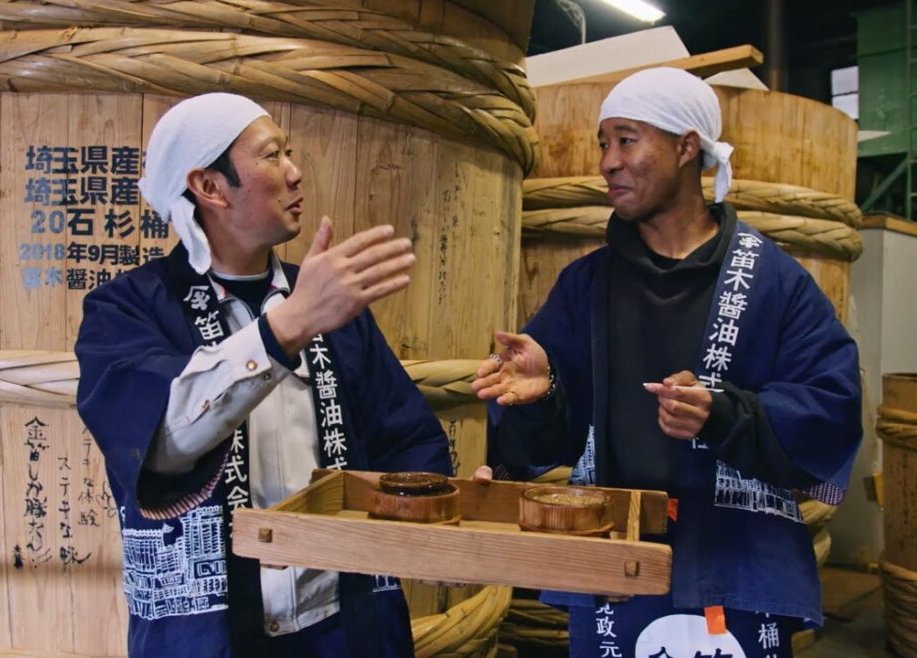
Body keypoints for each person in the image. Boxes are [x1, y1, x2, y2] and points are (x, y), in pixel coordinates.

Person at [472, 68, 862, 658]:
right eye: (603, 143)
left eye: (626, 139)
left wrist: (726, 414)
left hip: (738, 565)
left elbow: (834, 403)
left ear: (686, 147)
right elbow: (545, 440)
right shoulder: (587, 285)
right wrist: (544, 392)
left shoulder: (772, 281)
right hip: (616, 563)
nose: (607, 161)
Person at [75, 93, 451, 658]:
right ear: (209, 187)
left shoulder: (330, 301)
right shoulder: (126, 309)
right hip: (208, 637)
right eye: (272, 155)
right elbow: (161, 441)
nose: (296, 172)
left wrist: (448, 501)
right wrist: (286, 327)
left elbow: (406, 438)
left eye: (289, 153)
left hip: (344, 626)